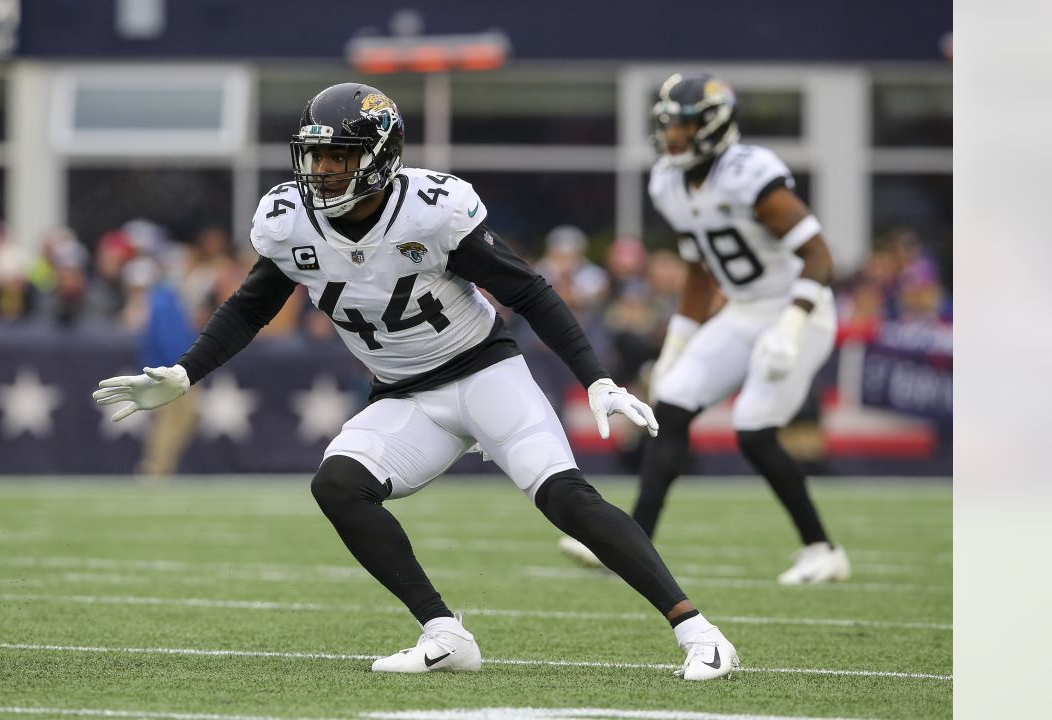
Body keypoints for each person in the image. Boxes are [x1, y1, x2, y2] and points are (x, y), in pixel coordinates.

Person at [92, 83, 738, 679]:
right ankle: (444, 632)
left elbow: (529, 290)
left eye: (338, 158)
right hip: (404, 394)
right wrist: (186, 371)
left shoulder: (430, 210)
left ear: (378, 157)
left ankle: (699, 632)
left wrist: (594, 378)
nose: (321, 172)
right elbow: (249, 306)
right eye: (315, 158)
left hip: (484, 370)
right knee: (339, 485)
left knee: (566, 498)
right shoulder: (291, 221)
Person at [559, 74, 849, 584]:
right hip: (742, 310)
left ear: (713, 126)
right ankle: (630, 542)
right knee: (671, 402)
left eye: (685, 126)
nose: (673, 137)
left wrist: (791, 323)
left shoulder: (750, 173)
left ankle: (822, 549)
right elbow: (699, 268)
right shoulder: (668, 181)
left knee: (755, 430)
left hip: (798, 308)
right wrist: (678, 340)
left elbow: (820, 255)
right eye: (668, 125)